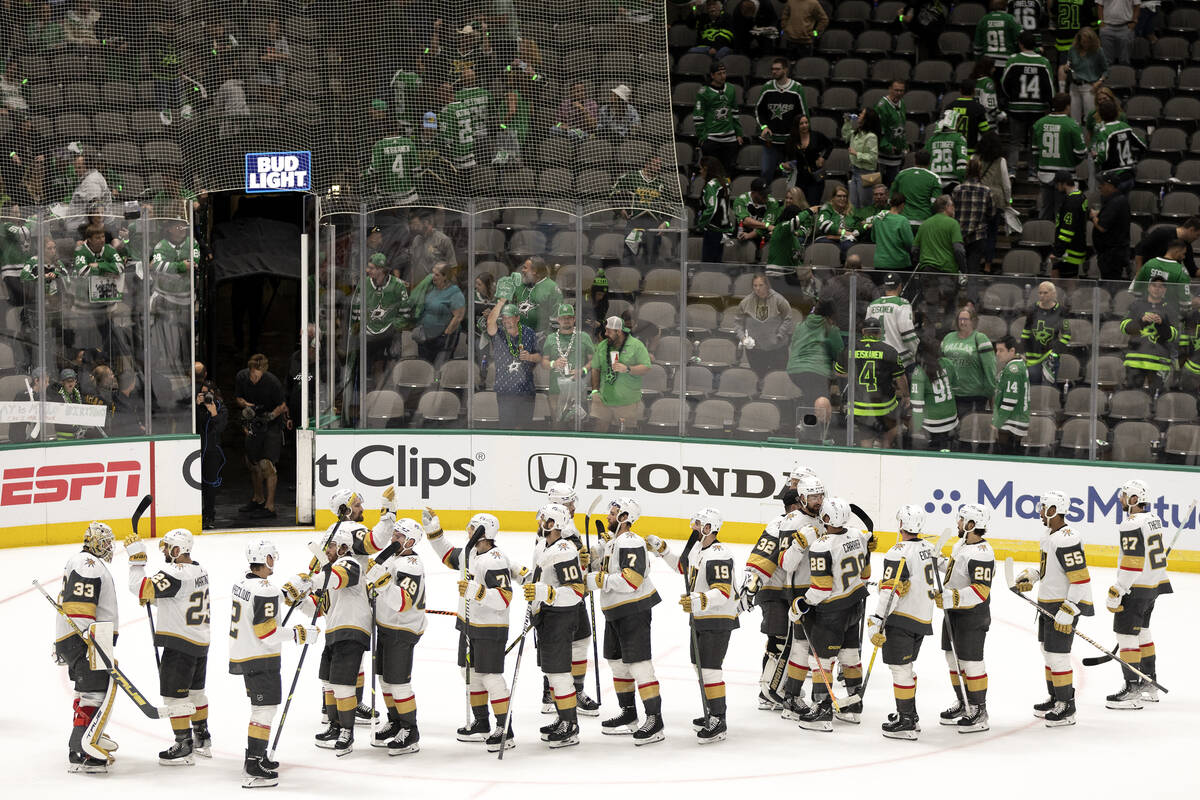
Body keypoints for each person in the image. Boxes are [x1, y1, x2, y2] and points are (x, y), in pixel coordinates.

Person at [647, 508, 738, 743]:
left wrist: (700, 600)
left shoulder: (719, 553)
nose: (694, 528)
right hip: (700, 615)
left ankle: (718, 718)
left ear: (710, 528)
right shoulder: (698, 547)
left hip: (717, 617)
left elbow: (724, 591)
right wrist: (663, 550)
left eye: (699, 525)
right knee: (700, 666)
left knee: (710, 668)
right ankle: (712, 711)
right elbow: (683, 568)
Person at [229, 540, 315, 787]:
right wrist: (299, 634)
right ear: (266, 559)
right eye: (272, 557)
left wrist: (287, 592)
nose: (274, 561)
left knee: (263, 709)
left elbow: (267, 599)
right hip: (260, 657)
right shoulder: (265, 590)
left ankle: (257, 755)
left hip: (246, 654)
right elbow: (266, 632)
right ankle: (254, 766)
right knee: (264, 710)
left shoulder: (242, 584)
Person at [126, 528, 212, 764]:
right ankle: (202, 737)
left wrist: (137, 561)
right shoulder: (199, 569)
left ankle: (184, 744)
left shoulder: (175, 573)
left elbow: (140, 587)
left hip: (180, 644)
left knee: (175, 698)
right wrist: (154, 598)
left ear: (177, 550)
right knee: (196, 694)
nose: (163, 550)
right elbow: (179, 599)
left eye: (166, 547)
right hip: (200, 641)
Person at [1013, 490, 1094, 727]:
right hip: (1047, 604)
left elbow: (1081, 579)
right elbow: (1051, 569)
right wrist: (1033, 575)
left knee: (1058, 656)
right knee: (1047, 652)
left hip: (1061, 605)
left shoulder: (1067, 538)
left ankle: (1066, 706)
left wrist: (1069, 609)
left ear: (1053, 510)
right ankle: (1055, 697)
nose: (1039, 512)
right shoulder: (1049, 535)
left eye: (1043, 508)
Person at [589, 497, 665, 744]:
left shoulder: (630, 541)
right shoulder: (615, 542)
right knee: (617, 662)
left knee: (639, 664)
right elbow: (606, 571)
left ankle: (655, 720)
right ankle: (629, 714)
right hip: (615, 611)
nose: (608, 517)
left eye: (613, 513)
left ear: (624, 517)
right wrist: (590, 559)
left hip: (634, 610)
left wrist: (600, 580)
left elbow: (631, 580)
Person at [790, 497, 870, 731]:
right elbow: (865, 573)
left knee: (820, 660)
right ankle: (854, 706)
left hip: (832, 611)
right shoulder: (858, 535)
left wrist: (802, 603)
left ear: (826, 518)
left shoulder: (821, 546)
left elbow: (822, 588)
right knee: (850, 656)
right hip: (855, 604)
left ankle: (823, 710)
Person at [55, 522, 119, 774]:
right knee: (95, 694)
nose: (107, 547)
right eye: (104, 542)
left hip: (77, 637)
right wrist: (91, 642)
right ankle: (85, 748)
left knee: (85, 693)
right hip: (87, 638)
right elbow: (80, 605)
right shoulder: (88, 564)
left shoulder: (81, 561)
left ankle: (80, 742)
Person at [867, 505, 935, 739]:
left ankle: (906, 721)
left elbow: (891, 591)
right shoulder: (929, 547)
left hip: (901, 619)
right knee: (907, 669)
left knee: (900, 670)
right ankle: (910, 714)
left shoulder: (897, 552)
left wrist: (876, 620)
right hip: (923, 618)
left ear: (901, 525)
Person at [521, 503, 586, 748]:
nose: (540, 522)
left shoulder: (565, 550)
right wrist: (524, 578)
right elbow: (539, 578)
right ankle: (562, 718)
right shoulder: (543, 545)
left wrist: (546, 592)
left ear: (554, 523)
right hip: (546, 616)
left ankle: (570, 725)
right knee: (551, 672)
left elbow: (576, 591)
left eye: (544, 519)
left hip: (561, 617)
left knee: (559, 674)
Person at [363, 516, 427, 754]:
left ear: (410, 541)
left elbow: (402, 602)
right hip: (387, 627)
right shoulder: (393, 557)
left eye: (399, 536)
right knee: (384, 679)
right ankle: (396, 721)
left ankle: (410, 731)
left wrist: (379, 582)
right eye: (394, 534)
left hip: (403, 629)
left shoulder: (411, 565)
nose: (393, 538)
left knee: (399, 683)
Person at [1105, 479, 1172, 709]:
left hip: (1136, 586)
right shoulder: (1154, 519)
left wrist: (1118, 589)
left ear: (1134, 499)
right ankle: (1149, 683)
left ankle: (1132, 689)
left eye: (1124, 496)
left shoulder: (1131, 523)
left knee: (1126, 636)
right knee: (1143, 631)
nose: (1120, 500)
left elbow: (1132, 563)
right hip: (1154, 585)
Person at [936, 503, 996, 733]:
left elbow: (981, 591)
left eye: (961, 520)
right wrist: (935, 560)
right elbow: (954, 572)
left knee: (972, 662)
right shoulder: (962, 544)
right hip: (954, 613)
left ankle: (979, 711)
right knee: (952, 659)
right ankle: (964, 703)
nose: (958, 523)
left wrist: (950, 597)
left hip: (972, 615)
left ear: (971, 525)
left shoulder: (982, 553)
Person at [836, 316, 909, 448]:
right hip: (884, 407)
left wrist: (854, 375)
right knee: (890, 434)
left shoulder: (850, 349)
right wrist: (906, 395)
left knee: (866, 441)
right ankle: (884, 455)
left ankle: (866, 464)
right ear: (879, 333)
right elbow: (901, 378)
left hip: (860, 407)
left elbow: (838, 371)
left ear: (863, 332)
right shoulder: (889, 351)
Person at [235, 354, 287, 519]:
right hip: (252, 421)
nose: (254, 378)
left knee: (267, 464)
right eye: (252, 374)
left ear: (263, 371)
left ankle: (270, 506)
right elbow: (238, 398)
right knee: (252, 463)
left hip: (271, 424)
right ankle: (258, 498)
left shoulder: (272, 382)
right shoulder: (242, 377)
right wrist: (244, 404)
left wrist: (270, 416)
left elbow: (282, 405)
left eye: (258, 375)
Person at [1001, 31, 1054, 179]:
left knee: (1015, 141)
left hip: (1016, 107)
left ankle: (1011, 171)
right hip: (1037, 108)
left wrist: (1011, 97)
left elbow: (1004, 84)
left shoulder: (1013, 60)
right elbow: (1049, 87)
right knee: (1034, 142)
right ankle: (1033, 172)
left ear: (1020, 44)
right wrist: (1049, 104)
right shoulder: (1044, 62)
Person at [352, 252, 410, 388]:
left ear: (381, 269)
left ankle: (387, 397)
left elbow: (405, 312)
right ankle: (370, 399)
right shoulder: (364, 284)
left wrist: (395, 328)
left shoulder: (397, 285)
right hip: (369, 335)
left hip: (389, 334)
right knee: (369, 369)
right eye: (368, 267)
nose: (368, 270)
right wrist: (358, 327)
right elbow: (356, 308)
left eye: (371, 268)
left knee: (388, 366)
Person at [149, 219, 198, 378]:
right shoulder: (160, 246)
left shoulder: (193, 243)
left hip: (187, 298)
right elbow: (156, 266)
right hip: (166, 297)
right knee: (167, 335)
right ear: (169, 229)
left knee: (186, 334)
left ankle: (185, 367)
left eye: (184, 225)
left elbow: (195, 263)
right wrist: (180, 266)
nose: (182, 228)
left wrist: (169, 266)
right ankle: (166, 367)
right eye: (177, 226)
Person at [590, 315, 651, 432]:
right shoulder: (603, 346)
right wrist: (594, 391)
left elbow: (646, 368)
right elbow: (595, 368)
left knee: (625, 435)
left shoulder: (636, 345)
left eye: (609, 331)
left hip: (626, 401)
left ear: (618, 332)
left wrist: (628, 369)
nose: (605, 333)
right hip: (603, 399)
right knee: (598, 431)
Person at [787, 299, 843, 427]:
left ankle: (805, 426)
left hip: (794, 370)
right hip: (816, 371)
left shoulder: (800, 326)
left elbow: (794, 344)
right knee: (821, 401)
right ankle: (814, 432)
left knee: (810, 396)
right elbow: (839, 354)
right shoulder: (830, 329)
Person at [1032, 94, 1087, 221]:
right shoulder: (1072, 125)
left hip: (1044, 173)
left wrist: (1039, 167)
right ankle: (1058, 239)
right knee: (1061, 210)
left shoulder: (1039, 123)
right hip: (1065, 175)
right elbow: (1081, 152)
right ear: (1068, 106)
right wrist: (1072, 162)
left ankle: (1044, 235)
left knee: (1045, 209)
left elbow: (1035, 152)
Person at [485, 303, 539, 429]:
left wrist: (530, 357)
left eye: (509, 317)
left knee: (525, 429)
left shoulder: (529, 333)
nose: (506, 320)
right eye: (504, 318)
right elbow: (490, 323)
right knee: (506, 428)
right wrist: (501, 301)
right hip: (506, 389)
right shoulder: (498, 333)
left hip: (526, 389)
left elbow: (540, 357)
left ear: (517, 318)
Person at [610, 156, 671, 266]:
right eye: (656, 165)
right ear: (647, 164)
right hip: (635, 225)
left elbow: (670, 208)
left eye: (659, 165)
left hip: (653, 226)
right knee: (629, 257)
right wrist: (619, 210)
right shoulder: (631, 177)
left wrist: (665, 223)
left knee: (651, 260)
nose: (658, 168)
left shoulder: (661, 184)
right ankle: (628, 280)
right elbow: (612, 193)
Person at [1119, 276, 1177, 391]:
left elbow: (1173, 336)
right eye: (1154, 285)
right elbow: (1124, 328)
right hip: (1135, 360)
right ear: (1149, 287)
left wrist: (1162, 323)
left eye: (1161, 286)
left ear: (1165, 290)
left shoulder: (1170, 308)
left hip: (1159, 362)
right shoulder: (1136, 305)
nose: (1157, 289)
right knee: (1133, 396)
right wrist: (1142, 321)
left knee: (1157, 399)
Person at [755, 58, 808, 181]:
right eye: (772, 69)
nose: (774, 72)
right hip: (771, 142)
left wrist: (803, 136)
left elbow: (804, 114)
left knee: (790, 176)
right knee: (766, 173)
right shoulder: (767, 87)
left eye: (777, 69)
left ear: (785, 70)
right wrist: (764, 127)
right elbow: (758, 110)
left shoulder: (797, 88)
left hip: (790, 141)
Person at [542, 303, 595, 425]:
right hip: (556, 389)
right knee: (557, 425)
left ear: (574, 319)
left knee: (578, 425)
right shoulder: (550, 338)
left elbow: (594, 361)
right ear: (558, 320)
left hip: (577, 390)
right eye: (563, 318)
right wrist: (553, 364)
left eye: (569, 317)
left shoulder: (584, 337)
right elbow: (544, 363)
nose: (566, 320)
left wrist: (582, 371)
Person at [942, 307, 997, 417]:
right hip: (950, 395)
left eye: (966, 319)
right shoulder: (948, 337)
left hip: (974, 397)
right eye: (960, 319)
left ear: (973, 321)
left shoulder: (981, 338)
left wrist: (991, 394)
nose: (962, 322)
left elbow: (990, 368)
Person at [735, 273, 794, 374]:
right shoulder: (746, 302)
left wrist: (780, 335)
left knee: (776, 379)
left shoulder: (779, 300)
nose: (758, 288)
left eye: (761, 285)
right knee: (759, 378)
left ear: (767, 285)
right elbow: (738, 324)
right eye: (755, 285)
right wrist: (743, 338)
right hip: (755, 350)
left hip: (777, 349)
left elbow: (788, 318)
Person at [694, 62, 743, 178]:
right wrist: (702, 137)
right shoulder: (703, 92)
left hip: (730, 139)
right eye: (719, 73)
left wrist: (739, 133)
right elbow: (698, 116)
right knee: (711, 174)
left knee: (727, 173)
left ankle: (725, 194)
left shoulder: (731, 88)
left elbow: (735, 112)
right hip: (711, 139)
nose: (723, 76)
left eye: (724, 73)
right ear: (712, 75)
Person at [910, 340, 959, 450]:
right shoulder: (948, 363)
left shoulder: (919, 372)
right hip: (952, 421)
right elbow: (955, 388)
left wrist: (916, 430)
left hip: (932, 425)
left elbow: (917, 407)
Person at [1021, 281, 1071, 385]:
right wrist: (1023, 351)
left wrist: (1055, 353)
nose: (1042, 296)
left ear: (1053, 294)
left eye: (1045, 293)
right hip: (1032, 358)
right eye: (1040, 293)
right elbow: (1025, 333)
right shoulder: (1032, 309)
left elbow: (1066, 335)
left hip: (1050, 358)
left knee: (1048, 389)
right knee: (1032, 388)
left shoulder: (1061, 311)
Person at [417, 262, 465, 368]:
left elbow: (458, 317)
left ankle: (437, 384)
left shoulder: (454, 293)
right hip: (426, 339)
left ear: (445, 277)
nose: (433, 277)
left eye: (437, 275)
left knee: (439, 370)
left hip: (443, 340)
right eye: (432, 273)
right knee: (425, 369)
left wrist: (446, 334)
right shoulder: (431, 290)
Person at [868, 274, 920, 372]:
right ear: (900, 286)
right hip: (900, 358)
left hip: (877, 357)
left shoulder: (872, 305)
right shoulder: (902, 304)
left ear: (884, 287)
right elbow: (907, 334)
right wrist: (916, 353)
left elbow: (867, 333)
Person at [952, 158, 996, 273]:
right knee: (974, 271)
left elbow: (951, 212)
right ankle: (972, 291)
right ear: (980, 171)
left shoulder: (957, 189)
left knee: (956, 269)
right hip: (978, 235)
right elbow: (991, 213)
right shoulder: (986, 191)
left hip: (959, 235)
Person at [976, 133, 1011, 273]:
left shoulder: (975, 158)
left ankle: (976, 261)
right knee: (992, 234)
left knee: (979, 234)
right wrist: (1009, 200)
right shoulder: (1001, 160)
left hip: (979, 198)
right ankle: (988, 265)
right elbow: (1006, 184)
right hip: (996, 199)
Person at [1091, 99, 1145, 187]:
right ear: (1117, 112)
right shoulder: (1125, 126)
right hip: (1129, 174)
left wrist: (1095, 157)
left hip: (1113, 177)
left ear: (1100, 115)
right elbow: (1142, 145)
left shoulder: (1104, 132)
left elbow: (1102, 157)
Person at [195, 377, 227, 528]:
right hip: (195, 450)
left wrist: (213, 413)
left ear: (213, 394)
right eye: (202, 393)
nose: (205, 396)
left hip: (212, 451)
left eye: (207, 394)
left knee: (210, 486)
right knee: (195, 485)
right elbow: (193, 426)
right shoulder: (197, 408)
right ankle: (195, 514)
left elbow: (220, 428)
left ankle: (209, 515)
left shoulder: (221, 408)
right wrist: (197, 406)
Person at [1060, 26, 1108, 123]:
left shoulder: (1098, 51)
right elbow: (1069, 62)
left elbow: (1106, 70)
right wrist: (1067, 66)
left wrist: (1099, 82)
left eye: (1088, 42)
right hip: (1074, 87)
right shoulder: (1073, 50)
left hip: (1089, 87)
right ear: (1079, 40)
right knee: (1074, 119)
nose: (1085, 44)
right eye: (1083, 41)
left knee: (1089, 118)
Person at [782, 115, 832, 206]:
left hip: (815, 177)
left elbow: (830, 145)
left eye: (806, 123)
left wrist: (823, 158)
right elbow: (789, 158)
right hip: (800, 178)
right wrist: (787, 165)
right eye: (801, 124)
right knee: (799, 205)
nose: (805, 125)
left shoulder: (816, 135)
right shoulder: (791, 140)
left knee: (812, 205)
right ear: (796, 126)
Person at [992, 335, 1030, 454]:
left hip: (1012, 420)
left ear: (1012, 351)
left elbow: (1010, 401)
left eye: (1001, 350)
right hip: (1015, 418)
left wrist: (997, 422)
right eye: (996, 350)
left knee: (1004, 457)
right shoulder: (1017, 365)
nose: (997, 353)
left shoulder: (1013, 369)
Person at [1090, 174, 1132, 280]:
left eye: (1102, 184)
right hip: (1114, 252)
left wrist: (1094, 217)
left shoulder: (1115, 202)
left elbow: (1102, 227)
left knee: (1110, 285)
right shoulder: (1118, 200)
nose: (1100, 187)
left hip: (1111, 255)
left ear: (1110, 186)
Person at [1130, 238, 1191, 312]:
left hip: (1145, 311)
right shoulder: (1181, 271)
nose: (1184, 257)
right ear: (1177, 251)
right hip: (1168, 314)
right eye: (1183, 253)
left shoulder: (1149, 263)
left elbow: (1135, 289)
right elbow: (1185, 301)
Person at [508, 256, 561, 340]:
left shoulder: (551, 288)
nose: (522, 271)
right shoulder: (520, 285)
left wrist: (546, 338)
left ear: (535, 271)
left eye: (525, 268)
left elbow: (556, 319)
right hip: (517, 336)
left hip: (541, 339)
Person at [1048, 171, 1088, 280]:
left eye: (1057, 184)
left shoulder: (1072, 201)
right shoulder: (1080, 196)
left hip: (1068, 251)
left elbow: (1067, 230)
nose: (1056, 187)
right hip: (1072, 247)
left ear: (1063, 183)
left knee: (1068, 284)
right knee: (1058, 277)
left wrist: (1058, 252)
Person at [913, 195, 965, 275]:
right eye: (953, 206)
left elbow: (915, 249)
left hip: (926, 272)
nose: (954, 208)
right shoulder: (953, 223)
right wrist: (963, 270)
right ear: (947, 207)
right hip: (947, 272)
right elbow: (958, 250)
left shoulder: (925, 224)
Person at [696, 156, 734, 263]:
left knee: (708, 266)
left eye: (701, 168)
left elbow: (712, 208)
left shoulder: (711, 186)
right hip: (722, 229)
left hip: (713, 229)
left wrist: (701, 224)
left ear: (707, 169)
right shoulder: (725, 182)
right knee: (717, 264)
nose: (700, 171)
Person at [1135, 218, 1200, 279]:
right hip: (1148, 274)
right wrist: (1139, 272)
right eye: (1198, 235)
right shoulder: (1162, 233)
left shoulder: (1187, 246)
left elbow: (1193, 271)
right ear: (1191, 230)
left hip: (1167, 281)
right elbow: (1140, 249)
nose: (1197, 238)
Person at [841, 108, 881, 209]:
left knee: (865, 205)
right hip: (854, 172)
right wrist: (847, 122)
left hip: (866, 174)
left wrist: (857, 153)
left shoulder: (871, 137)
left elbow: (873, 158)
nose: (859, 115)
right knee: (853, 205)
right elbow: (845, 136)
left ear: (867, 119)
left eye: (862, 114)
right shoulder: (856, 133)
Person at [407, 211, 457, 287]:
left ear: (426, 223)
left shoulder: (442, 240)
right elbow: (413, 267)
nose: (412, 227)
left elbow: (453, 268)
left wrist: (448, 289)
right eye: (411, 224)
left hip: (436, 288)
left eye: (415, 224)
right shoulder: (416, 240)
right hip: (419, 288)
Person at [893, 150, 942, 226]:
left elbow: (891, 198)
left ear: (915, 160)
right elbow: (935, 204)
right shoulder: (935, 178)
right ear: (930, 162)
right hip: (924, 221)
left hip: (902, 220)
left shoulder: (901, 175)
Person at [944, 80, 992, 155]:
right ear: (974, 91)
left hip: (952, 151)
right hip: (970, 152)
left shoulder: (950, 106)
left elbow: (945, 130)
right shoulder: (978, 108)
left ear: (960, 91)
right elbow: (985, 131)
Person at [875, 81, 909, 187]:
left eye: (901, 90)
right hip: (884, 156)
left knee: (893, 188)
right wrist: (888, 147)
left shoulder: (901, 103)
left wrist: (904, 145)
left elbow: (902, 126)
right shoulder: (882, 106)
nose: (899, 93)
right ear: (890, 89)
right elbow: (879, 131)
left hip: (897, 156)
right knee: (881, 188)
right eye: (896, 90)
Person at [734, 178, 782, 250]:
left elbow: (767, 225)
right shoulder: (741, 200)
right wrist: (766, 225)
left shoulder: (772, 203)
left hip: (762, 235)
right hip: (743, 231)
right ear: (753, 192)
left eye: (766, 193)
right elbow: (745, 221)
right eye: (762, 194)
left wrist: (750, 235)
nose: (765, 196)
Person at [873, 193, 915, 271]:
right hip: (899, 263)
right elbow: (909, 243)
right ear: (902, 205)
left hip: (880, 263)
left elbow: (873, 238)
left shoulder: (878, 218)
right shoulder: (903, 220)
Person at [927, 114, 968, 192]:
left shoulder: (932, 139)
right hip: (953, 183)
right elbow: (962, 164)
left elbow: (924, 161)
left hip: (933, 183)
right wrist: (962, 181)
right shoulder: (959, 138)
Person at [974, 0, 1022, 68]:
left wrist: (977, 62)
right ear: (1005, 6)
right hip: (1006, 62)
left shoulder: (983, 20)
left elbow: (977, 46)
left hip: (987, 63)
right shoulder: (1011, 19)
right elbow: (1022, 39)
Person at [815, 183, 860, 255]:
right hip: (827, 238)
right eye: (839, 196)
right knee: (825, 245)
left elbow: (858, 225)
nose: (842, 199)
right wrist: (844, 232)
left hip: (846, 239)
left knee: (850, 247)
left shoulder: (852, 210)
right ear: (833, 198)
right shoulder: (827, 208)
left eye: (844, 196)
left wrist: (856, 231)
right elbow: (823, 225)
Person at [1096, 0, 1139, 66]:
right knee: (1106, 61)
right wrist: (1100, 22)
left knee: (1125, 60)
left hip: (1126, 27)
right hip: (1107, 28)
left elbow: (1137, 6)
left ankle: (1124, 75)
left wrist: (1134, 22)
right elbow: (1099, 6)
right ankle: (1107, 76)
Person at [971, 58, 1005, 128]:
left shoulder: (972, 80)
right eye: (992, 67)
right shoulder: (988, 82)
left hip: (975, 120)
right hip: (988, 122)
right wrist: (1002, 116)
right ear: (987, 68)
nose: (994, 69)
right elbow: (989, 106)